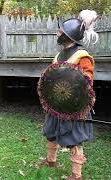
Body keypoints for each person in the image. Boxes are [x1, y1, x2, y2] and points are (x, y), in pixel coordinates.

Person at [40, 10, 100, 180]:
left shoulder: (82, 56)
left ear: (67, 35)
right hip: (56, 103)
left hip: (74, 105)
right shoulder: (59, 55)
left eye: (60, 31)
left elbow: (86, 82)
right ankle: (51, 160)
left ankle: (76, 174)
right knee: (51, 131)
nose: (57, 33)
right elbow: (52, 78)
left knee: (75, 137)